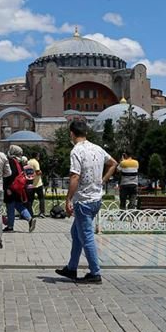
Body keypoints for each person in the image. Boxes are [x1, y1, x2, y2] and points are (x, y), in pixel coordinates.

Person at [55, 120, 117, 284]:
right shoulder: (97, 148)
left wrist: (68, 198)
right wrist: (102, 180)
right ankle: (71, 268)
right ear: (86, 133)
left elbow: (75, 176)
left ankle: (95, 272)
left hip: (83, 200)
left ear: (71, 134)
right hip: (96, 198)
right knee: (76, 233)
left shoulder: (77, 151)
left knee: (86, 236)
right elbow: (113, 163)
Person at [3, 145, 34, 233]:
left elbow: (10, 175)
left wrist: (7, 187)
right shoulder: (19, 161)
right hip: (19, 187)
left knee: (10, 206)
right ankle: (30, 219)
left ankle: (10, 226)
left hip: (11, 187)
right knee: (18, 205)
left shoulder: (11, 161)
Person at [27, 153, 47, 217]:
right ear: (36, 156)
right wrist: (41, 172)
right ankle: (42, 212)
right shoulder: (36, 162)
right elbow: (38, 172)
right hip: (38, 183)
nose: (39, 157)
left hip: (30, 183)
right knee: (41, 198)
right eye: (38, 156)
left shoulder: (28, 162)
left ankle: (29, 212)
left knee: (30, 199)